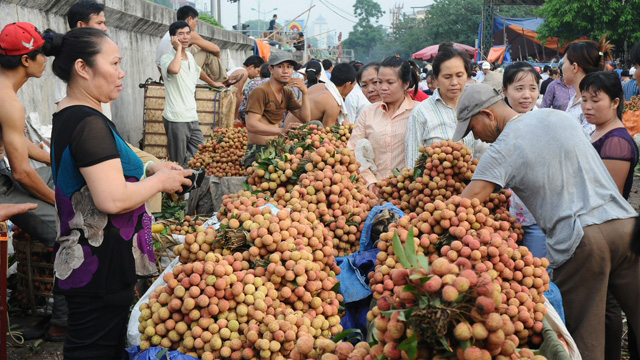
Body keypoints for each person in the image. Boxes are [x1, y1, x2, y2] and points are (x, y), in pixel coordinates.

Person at [453, 82, 639, 360]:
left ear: (487, 115)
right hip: (627, 226)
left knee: (584, 338)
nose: (477, 138)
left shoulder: (503, 148)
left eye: (473, 128)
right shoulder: (557, 116)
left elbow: (465, 205)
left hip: (583, 239)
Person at [44, 27, 192, 359]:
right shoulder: (87, 122)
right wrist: (159, 184)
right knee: (93, 349)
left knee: (100, 345)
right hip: (99, 265)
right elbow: (110, 198)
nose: (122, 72)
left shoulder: (78, 115)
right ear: (83, 68)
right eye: (114, 63)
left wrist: (150, 169)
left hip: (98, 264)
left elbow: (105, 171)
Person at [580, 71, 640, 360]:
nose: (588, 106)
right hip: (598, 231)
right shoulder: (597, 132)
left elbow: (607, 197)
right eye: (584, 99)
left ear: (616, 102)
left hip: (609, 232)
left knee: (607, 305)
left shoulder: (617, 142)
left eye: (596, 100)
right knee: (604, 302)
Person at [347, 56, 418, 190]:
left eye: (390, 82)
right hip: (373, 193)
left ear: (406, 84)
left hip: (408, 192)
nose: (382, 88)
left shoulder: (419, 112)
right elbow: (352, 150)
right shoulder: (368, 112)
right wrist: (370, 182)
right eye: (379, 82)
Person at [404, 42, 476, 169]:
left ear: (467, 76)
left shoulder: (477, 108)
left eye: (459, 75)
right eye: (447, 77)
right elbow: (412, 164)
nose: (454, 82)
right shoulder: (421, 113)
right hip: (436, 187)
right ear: (436, 80)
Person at [160, 21, 221, 168]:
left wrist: (212, 83)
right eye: (181, 34)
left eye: (188, 33)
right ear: (173, 38)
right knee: (178, 162)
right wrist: (179, 49)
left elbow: (197, 70)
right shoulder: (167, 59)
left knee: (199, 155)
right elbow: (174, 69)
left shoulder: (190, 57)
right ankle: (176, 191)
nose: (186, 37)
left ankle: (189, 189)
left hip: (192, 117)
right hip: (176, 118)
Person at [501, 62, 546, 259]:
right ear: (505, 90)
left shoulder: (547, 122)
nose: (526, 95)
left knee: (536, 274)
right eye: (519, 89)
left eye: (532, 88)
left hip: (538, 219)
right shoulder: (498, 123)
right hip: (504, 217)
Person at [244, 52, 310, 168]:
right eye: (280, 66)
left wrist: (305, 93)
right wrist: (281, 131)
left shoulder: (287, 92)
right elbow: (251, 125)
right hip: (258, 151)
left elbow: (305, 118)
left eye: (289, 67)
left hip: (276, 149)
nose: (286, 71)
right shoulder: (260, 91)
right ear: (271, 69)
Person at [155, 6, 229, 87]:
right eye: (196, 21)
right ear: (189, 19)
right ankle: (224, 80)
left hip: (164, 73)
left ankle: (211, 76)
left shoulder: (173, 32)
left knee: (193, 48)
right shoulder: (187, 34)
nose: (195, 25)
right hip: (177, 71)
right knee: (207, 52)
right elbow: (216, 49)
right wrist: (217, 58)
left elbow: (197, 48)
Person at [562, 36, 614, 135]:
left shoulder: (592, 103)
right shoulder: (575, 98)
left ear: (574, 67)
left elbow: (586, 141)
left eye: (564, 63)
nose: (562, 68)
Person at [284, 63, 356, 127]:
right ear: (348, 84)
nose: (353, 88)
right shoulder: (333, 103)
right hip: (292, 134)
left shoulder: (320, 86)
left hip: (285, 126)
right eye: (353, 85)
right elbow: (328, 132)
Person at [226, 55, 266, 121]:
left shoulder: (239, 69)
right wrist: (235, 117)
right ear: (251, 67)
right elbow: (237, 94)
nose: (257, 75)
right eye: (258, 71)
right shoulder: (243, 73)